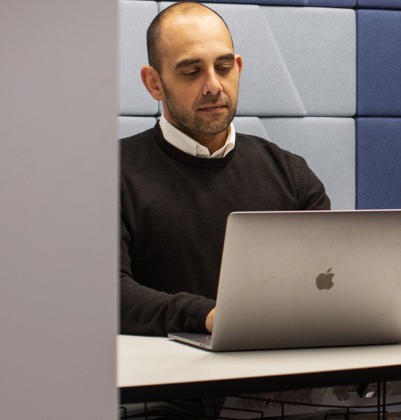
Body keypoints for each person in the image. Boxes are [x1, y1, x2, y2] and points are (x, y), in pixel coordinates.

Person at [119, 2, 329, 338]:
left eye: (224, 67)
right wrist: (209, 316)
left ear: (239, 68)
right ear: (154, 83)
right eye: (191, 72)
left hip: (286, 373)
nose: (213, 85)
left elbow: (331, 281)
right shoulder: (112, 175)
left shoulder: (291, 174)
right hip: (166, 383)